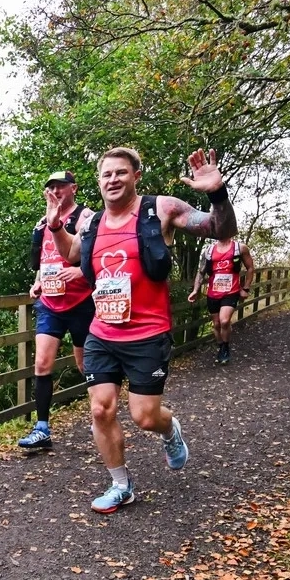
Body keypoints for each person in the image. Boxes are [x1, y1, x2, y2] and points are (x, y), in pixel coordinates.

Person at [48, 146, 237, 514]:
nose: (113, 180)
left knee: (145, 416)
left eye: (121, 172)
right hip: (103, 331)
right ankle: (121, 485)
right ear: (98, 182)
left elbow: (220, 230)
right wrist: (56, 226)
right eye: (106, 174)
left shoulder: (161, 209)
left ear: (136, 176)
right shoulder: (92, 223)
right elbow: (71, 253)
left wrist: (217, 193)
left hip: (148, 333)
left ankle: (169, 430)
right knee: (100, 410)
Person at [19, 170, 97, 450]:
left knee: (85, 365)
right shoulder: (43, 222)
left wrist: (80, 272)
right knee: (41, 363)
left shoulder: (86, 217)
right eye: (51, 187)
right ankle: (41, 428)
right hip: (51, 303)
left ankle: (99, 416)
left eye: (60, 186)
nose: (55, 191)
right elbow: (44, 258)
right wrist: (37, 281)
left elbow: (96, 253)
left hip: (80, 302)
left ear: (73, 188)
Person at [189, 234, 255, 364]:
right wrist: (195, 290)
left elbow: (250, 268)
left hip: (231, 292)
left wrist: (246, 288)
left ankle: (225, 348)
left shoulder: (240, 248)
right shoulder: (208, 251)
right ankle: (221, 347)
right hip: (213, 293)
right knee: (217, 324)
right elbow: (201, 272)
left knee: (224, 321)